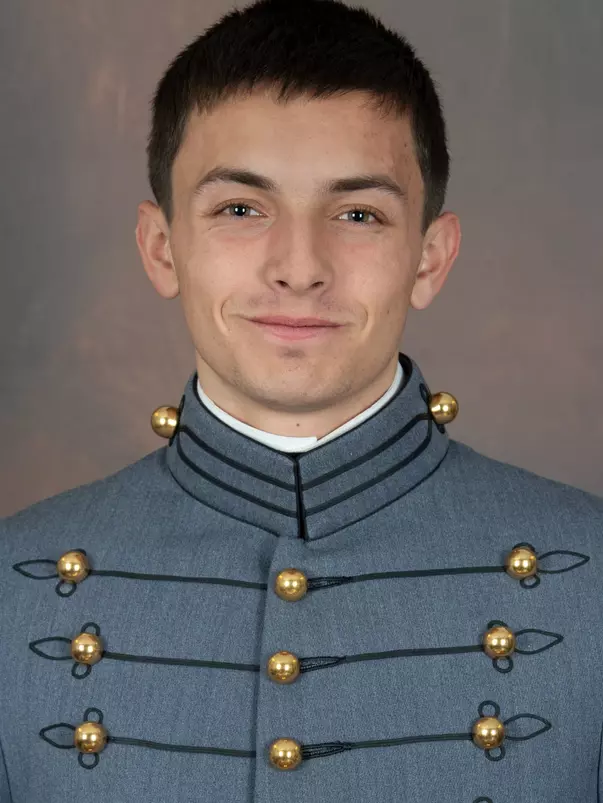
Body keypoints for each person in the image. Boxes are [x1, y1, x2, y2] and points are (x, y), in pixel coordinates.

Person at [1, 0, 602, 800]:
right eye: (240, 209)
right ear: (161, 247)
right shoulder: (15, 583)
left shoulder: (588, 574)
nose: (299, 266)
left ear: (429, 258)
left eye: (357, 213)